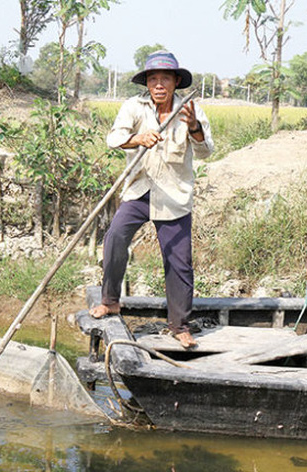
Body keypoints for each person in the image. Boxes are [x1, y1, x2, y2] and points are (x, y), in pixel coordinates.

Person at [89, 50, 214, 349]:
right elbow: (114, 138)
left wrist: (194, 127)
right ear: (147, 82)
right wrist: (138, 139)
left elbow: (206, 151)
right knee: (116, 237)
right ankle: (110, 301)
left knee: (179, 260)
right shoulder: (135, 106)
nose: (159, 85)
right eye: (154, 79)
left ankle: (179, 325)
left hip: (174, 196)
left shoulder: (189, 109)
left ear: (175, 82)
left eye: (165, 79)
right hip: (139, 189)